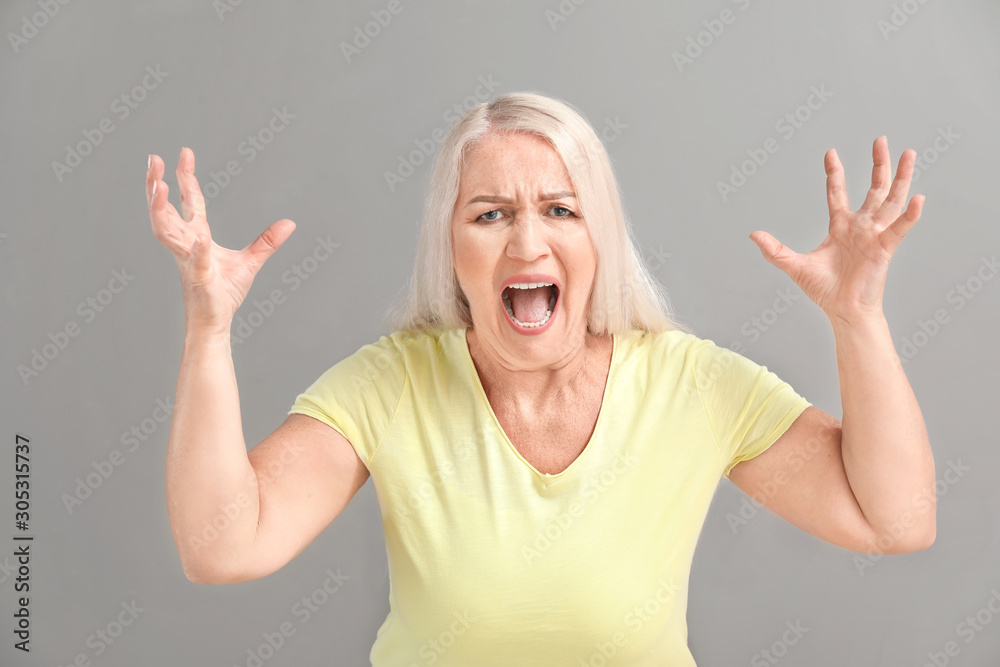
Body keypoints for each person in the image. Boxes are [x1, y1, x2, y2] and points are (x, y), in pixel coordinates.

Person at [146, 92, 937, 666]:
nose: (528, 241)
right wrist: (209, 328)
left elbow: (893, 520)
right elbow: (222, 546)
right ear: (449, 246)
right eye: (489, 214)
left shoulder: (691, 385)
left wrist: (857, 316)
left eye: (560, 209)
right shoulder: (390, 385)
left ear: (602, 237)